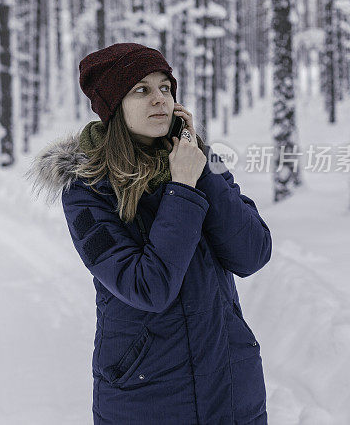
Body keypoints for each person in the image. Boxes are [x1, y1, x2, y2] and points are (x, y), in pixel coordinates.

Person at [26, 42, 272, 424]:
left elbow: (253, 254)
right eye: (141, 90)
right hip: (147, 397)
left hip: (232, 390)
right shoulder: (88, 191)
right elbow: (147, 287)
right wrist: (183, 190)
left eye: (165, 87)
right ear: (113, 106)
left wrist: (200, 171)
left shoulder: (197, 162)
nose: (159, 99)